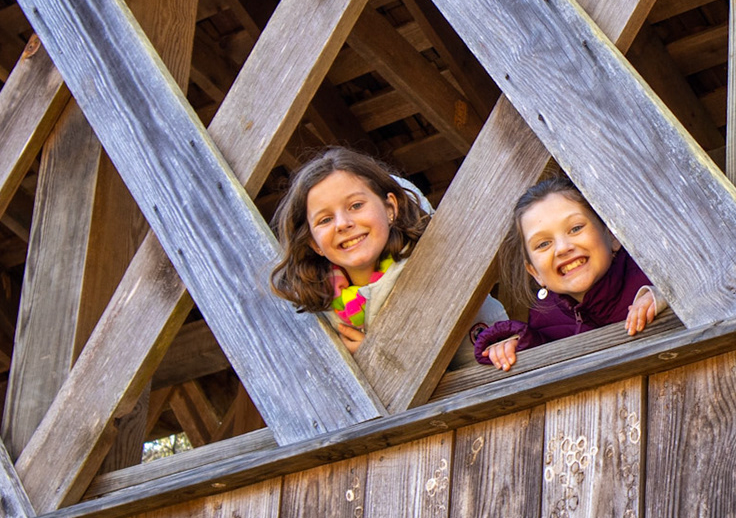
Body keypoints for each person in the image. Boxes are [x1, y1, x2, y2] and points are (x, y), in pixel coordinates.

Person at [269, 148, 505, 365]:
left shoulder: (439, 263)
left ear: (390, 208)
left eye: (356, 205)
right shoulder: (321, 317)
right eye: (325, 220)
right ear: (314, 243)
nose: (342, 224)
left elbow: (490, 358)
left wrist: (380, 364)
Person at [474, 176, 666, 372]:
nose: (563, 248)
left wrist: (665, 297)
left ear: (612, 235)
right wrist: (517, 348)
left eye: (575, 228)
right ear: (535, 273)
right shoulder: (544, 319)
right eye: (543, 244)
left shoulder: (652, 272)